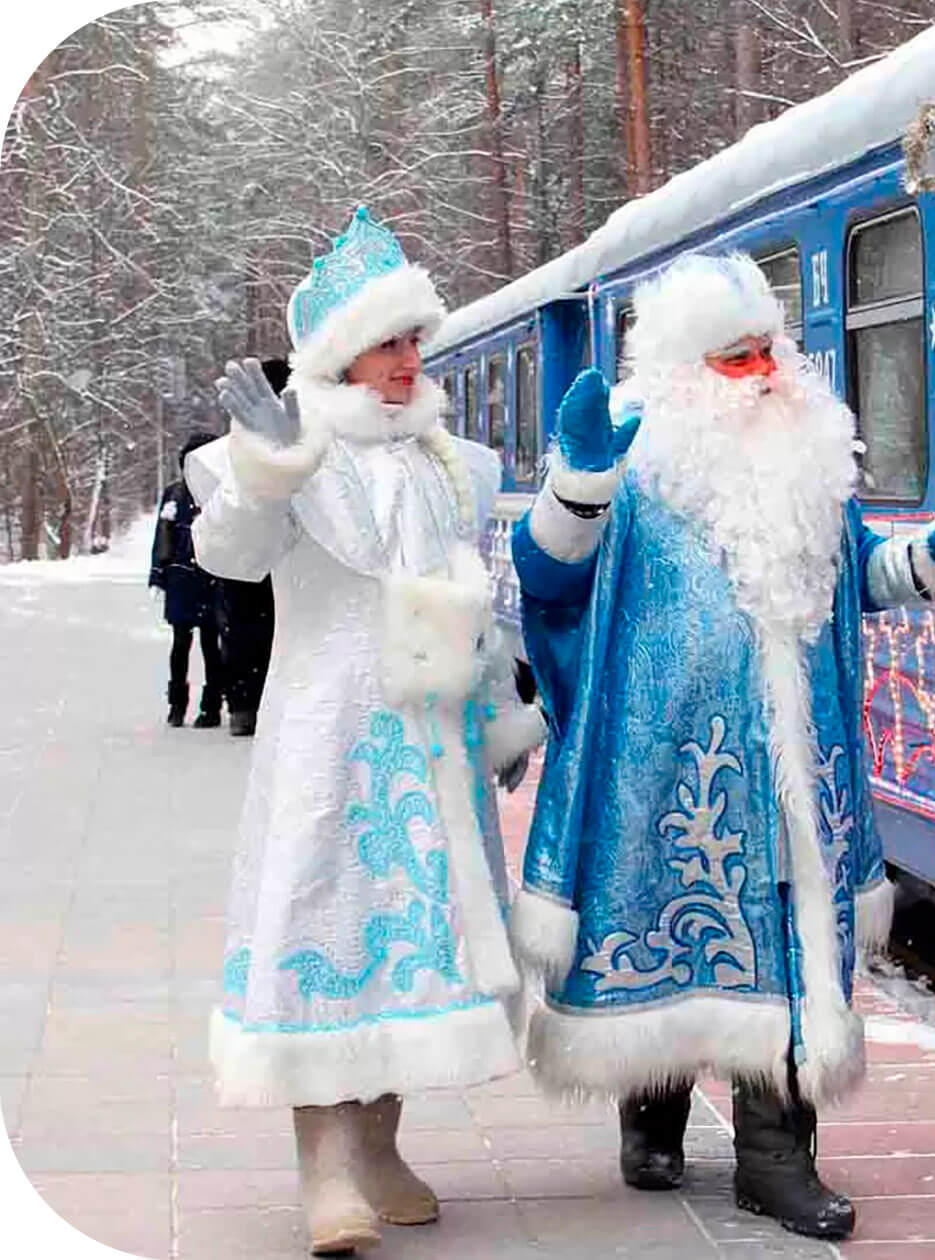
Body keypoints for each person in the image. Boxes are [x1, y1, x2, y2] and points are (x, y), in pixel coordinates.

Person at [508, 253, 935, 1241]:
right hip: (665, 763)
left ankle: (776, 1157)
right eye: (736, 358)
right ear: (686, 371)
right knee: (669, 929)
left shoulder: (806, 458)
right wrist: (575, 488)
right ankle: (652, 1107)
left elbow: (856, 573)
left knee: (781, 934)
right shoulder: (634, 466)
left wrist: (926, 566)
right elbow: (550, 586)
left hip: (794, 763)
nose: (765, 371)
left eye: (768, 349)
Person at [185, 206, 545, 1257]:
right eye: (389, 342)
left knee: (416, 949)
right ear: (342, 353)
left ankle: (380, 1148)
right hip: (328, 739)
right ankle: (325, 1170)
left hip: (431, 748)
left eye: (413, 340)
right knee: (327, 930)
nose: (408, 360)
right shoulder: (289, 453)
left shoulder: (451, 464)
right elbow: (233, 558)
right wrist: (268, 463)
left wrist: (500, 719)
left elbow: (464, 599)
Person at [215, 359, 287, 739]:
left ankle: (244, 706)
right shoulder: (302, 441)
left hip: (245, 570)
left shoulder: (235, 447)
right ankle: (250, 705)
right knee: (267, 635)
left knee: (245, 635)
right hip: (268, 568)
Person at [150, 432, 226, 728]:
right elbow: (163, 535)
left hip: (212, 579)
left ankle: (211, 707)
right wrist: (158, 574)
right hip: (180, 578)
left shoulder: (220, 493)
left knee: (212, 645)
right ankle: (177, 705)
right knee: (181, 644)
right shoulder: (174, 494)